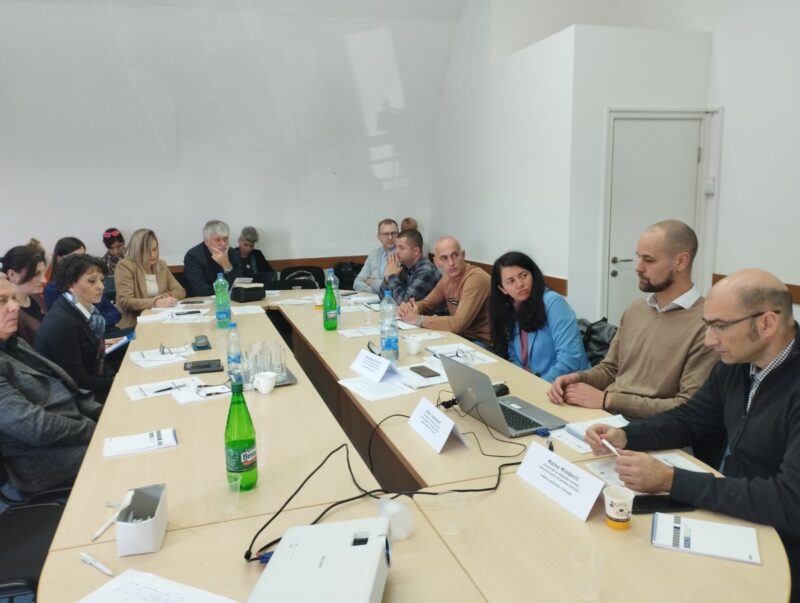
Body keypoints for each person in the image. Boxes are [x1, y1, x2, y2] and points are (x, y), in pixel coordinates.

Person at [584, 269, 800, 600]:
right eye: (706, 325)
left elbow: (790, 502)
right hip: (741, 515)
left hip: (784, 543)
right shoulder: (737, 362)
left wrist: (671, 480)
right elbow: (690, 419)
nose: (709, 340)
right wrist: (626, 436)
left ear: (767, 324)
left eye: (720, 326)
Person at [547, 220, 717, 419]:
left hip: (651, 427)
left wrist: (607, 400)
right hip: (606, 415)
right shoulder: (636, 309)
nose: (638, 267)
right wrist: (577, 378)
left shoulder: (706, 324)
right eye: (638, 257)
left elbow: (687, 407)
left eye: (649, 260)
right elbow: (611, 369)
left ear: (681, 261)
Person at [0, 274, 100, 493]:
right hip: (50, 460)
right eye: (2, 301)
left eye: (13, 298)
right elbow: (37, 427)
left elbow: (66, 386)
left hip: (76, 432)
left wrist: (101, 412)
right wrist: (96, 428)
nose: (14, 307)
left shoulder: (14, 344)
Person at [488, 251, 589, 380]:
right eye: (511, 281)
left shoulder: (553, 303)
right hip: (531, 382)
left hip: (565, 383)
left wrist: (538, 386)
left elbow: (570, 360)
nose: (520, 284)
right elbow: (513, 355)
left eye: (524, 275)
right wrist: (520, 380)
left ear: (533, 275)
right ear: (502, 289)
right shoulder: (513, 307)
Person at [36, 255, 117, 403]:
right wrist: (117, 383)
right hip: (75, 399)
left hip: (92, 383)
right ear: (71, 285)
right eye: (92, 281)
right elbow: (77, 380)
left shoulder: (84, 309)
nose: (101, 286)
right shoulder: (63, 323)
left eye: (101, 280)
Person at [397, 236, 491, 346]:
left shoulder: (475, 279)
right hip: (461, 336)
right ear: (436, 262)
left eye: (455, 255)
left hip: (483, 342)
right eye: (444, 258)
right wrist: (410, 308)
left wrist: (417, 319)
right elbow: (427, 304)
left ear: (463, 255)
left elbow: (458, 324)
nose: (451, 263)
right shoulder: (447, 278)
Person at [43, 237, 122, 334]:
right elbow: (74, 326)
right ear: (60, 259)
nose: (82, 261)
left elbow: (115, 312)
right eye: (75, 257)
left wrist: (100, 322)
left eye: (83, 255)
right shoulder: (53, 290)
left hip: (106, 331)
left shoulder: (92, 282)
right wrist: (99, 322)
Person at [115, 229, 186, 329]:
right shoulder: (125, 266)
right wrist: (156, 302)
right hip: (135, 324)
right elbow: (126, 302)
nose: (153, 255)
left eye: (155, 249)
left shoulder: (161, 265)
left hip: (163, 320)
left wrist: (162, 298)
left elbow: (180, 291)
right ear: (137, 251)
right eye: (148, 251)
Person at [1, 245, 47, 347]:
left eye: (43, 273)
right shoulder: (10, 315)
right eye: (36, 274)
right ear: (12, 275)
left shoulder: (36, 297)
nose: (44, 280)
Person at [183, 220, 243, 297]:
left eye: (225, 239)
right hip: (201, 301)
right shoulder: (193, 256)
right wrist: (227, 289)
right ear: (206, 242)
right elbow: (202, 290)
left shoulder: (234, 254)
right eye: (217, 240)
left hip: (229, 299)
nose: (223, 244)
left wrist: (227, 266)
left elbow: (240, 285)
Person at [381, 229, 440, 303]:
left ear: (416, 251)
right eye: (396, 247)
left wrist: (392, 277)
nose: (396, 252)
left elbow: (405, 303)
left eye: (401, 248)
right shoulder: (403, 267)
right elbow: (383, 298)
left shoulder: (426, 271)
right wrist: (387, 278)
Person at [353, 219, 399, 294]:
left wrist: (371, 281)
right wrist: (380, 290)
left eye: (393, 233)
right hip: (370, 298)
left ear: (398, 235)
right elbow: (356, 283)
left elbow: (392, 289)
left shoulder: (402, 255)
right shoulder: (374, 254)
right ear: (379, 237)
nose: (390, 237)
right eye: (386, 234)